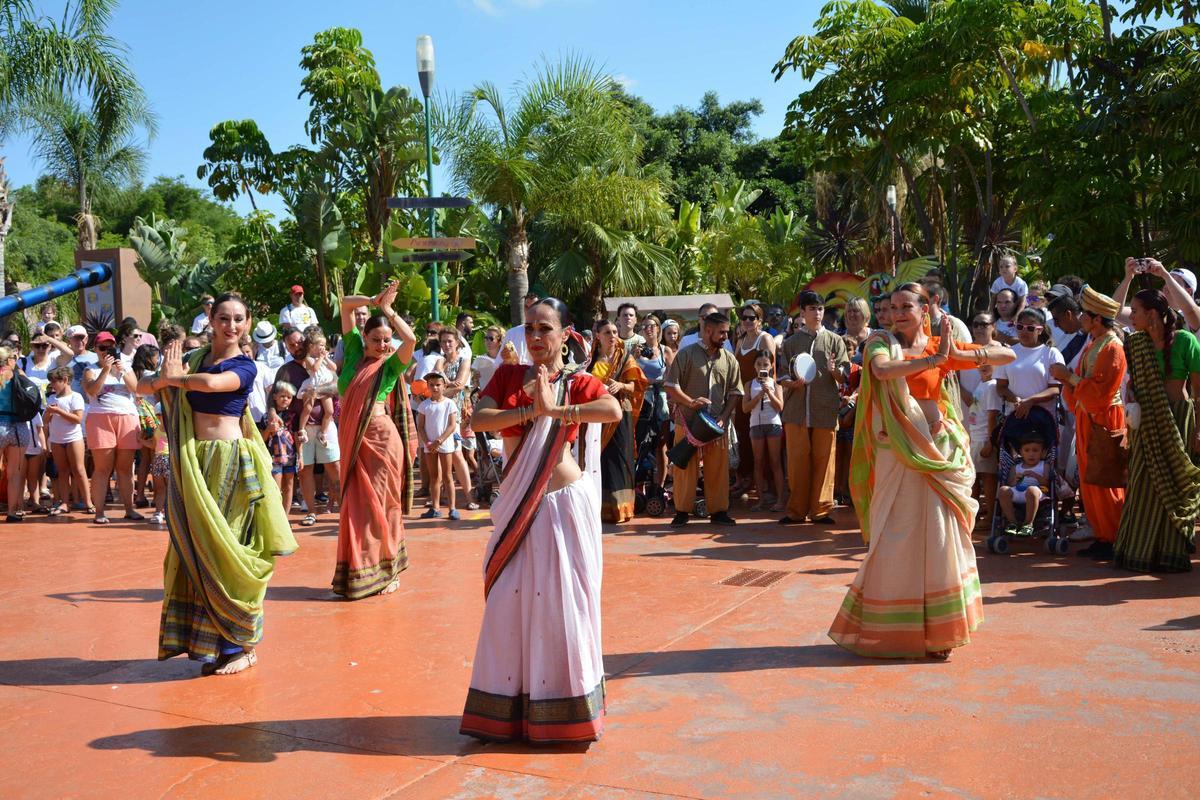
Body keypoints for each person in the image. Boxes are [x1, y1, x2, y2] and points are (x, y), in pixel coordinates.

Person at [459, 297, 619, 744]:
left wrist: (557, 411)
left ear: (565, 335)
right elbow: (480, 420)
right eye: (530, 327)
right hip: (519, 505)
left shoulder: (576, 381)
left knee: (560, 607)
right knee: (507, 605)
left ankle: (565, 714)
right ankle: (507, 713)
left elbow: (612, 410)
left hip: (560, 506)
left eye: (545, 328)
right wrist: (531, 409)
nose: (535, 336)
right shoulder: (510, 375)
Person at [829, 283, 1015, 659]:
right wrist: (935, 361)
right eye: (892, 307)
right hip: (898, 454)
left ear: (924, 310)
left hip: (936, 449)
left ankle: (941, 631)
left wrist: (958, 353)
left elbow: (1007, 354)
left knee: (941, 536)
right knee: (898, 534)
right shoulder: (880, 343)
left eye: (906, 307)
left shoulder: (936, 345)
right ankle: (892, 625)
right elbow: (882, 371)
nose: (897, 313)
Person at [141, 292, 296, 676]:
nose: (231, 325)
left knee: (229, 548)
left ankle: (241, 645)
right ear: (211, 320)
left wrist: (174, 378)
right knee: (196, 548)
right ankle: (212, 645)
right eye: (224, 318)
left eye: (238, 319)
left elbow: (212, 385)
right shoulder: (193, 359)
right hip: (193, 462)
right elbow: (144, 386)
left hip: (229, 463)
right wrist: (160, 378)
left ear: (247, 324)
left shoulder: (244, 365)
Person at [334, 284, 418, 598]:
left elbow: (410, 340)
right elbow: (345, 304)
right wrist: (372, 300)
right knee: (356, 507)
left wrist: (388, 311)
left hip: (381, 441)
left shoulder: (391, 364)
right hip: (354, 439)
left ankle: (390, 570)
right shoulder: (353, 351)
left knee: (383, 505)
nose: (383, 345)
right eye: (376, 340)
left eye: (386, 340)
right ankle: (360, 572)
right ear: (364, 338)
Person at [1112, 288, 1200, 573]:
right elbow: (1132, 383)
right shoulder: (1136, 343)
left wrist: (1199, 431)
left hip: (1178, 420)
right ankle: (1138, 550)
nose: (1131, 316)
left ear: (1151, 314)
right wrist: (1131, 394)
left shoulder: (1185, 340)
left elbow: (1198, 391)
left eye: (1136, 311)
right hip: (1146, 422)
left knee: (1175, 484)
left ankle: (1170, 553)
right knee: (1141, 484)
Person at [1050, 287, 1127, 560]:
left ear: (1096, 319)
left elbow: (1101, 393)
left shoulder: (1112, 347)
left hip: (1104, 418)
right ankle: (1103, 535)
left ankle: (1115, 537)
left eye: (1085, 314)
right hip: (1088, 416)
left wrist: (1067, 378)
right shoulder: (1095, 343)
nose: (1080, 318)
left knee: (1105, 478)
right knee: (1090, 479)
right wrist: (1068, 380)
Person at [779, 291, 850, 525]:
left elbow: (844, 376)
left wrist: (834, 371)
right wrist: (793, 383)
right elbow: (782, 376)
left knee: (824, 460)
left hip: (825, 409)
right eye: (812, 309)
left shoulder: (835, 340)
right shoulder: (790, 343)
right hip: (796, 411)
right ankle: (796, 511)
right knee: (797, 462)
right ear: (803, 312)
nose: (817, 313)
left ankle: (821, 511)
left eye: (820, 309)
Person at [665, 311, 742, 527]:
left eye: (727, 332)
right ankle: (682, 511)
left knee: (717, 470)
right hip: (687, 423)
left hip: (716, 426)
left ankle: (718, 512)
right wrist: (690, 402)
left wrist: (724, 418)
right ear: (708, 331)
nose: (725, 337)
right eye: (721, 333)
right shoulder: (686, 354)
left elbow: (736, 392)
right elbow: (671, 386)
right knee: (684, 469)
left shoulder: (729, 359)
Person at [586, 319, 648, 523]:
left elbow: (636, 386)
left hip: (620, 415)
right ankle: (599, 508)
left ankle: (621, 509)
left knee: (620, 459)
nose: (612, 336)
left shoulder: (625, 358)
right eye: (607, 332)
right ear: (598, 336)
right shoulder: (590, 361)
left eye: (614, 331)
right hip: (597, 415)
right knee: (599, 459)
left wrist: (620, 385)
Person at [84, 331, 143, 525]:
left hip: (127, 417)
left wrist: (122, 370)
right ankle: (99, 512)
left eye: (110, 347)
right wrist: (105, 370)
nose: (106, 351)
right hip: (100, 418)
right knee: (102, 468)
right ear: (95, 349)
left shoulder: (125, 367)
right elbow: (92, 390)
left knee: (125, 468)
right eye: (102, 348)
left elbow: (137, 390)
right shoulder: (90, 369)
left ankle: (129, 509)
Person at [731, 304, 776, 500]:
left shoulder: (765, 338)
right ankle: (746, 481)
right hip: (743, 397)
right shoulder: (740, 340)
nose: (747, 321)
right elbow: (735, 369)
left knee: (764, 444)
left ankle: (768, 486)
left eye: (752, 318)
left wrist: (763, 393)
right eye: (744, 318)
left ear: (760, 320)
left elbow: (770, 367)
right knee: (743, 440)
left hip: (761, 398)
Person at [435, 327, 477, 512]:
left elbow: (459, 385)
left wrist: (442, 387)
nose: (446, 345)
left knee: (458, 455)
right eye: (443, 341)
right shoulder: (440, 360)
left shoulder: (464, 360)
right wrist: (447, 383)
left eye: (449, 341)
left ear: (457, 342)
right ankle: (441, 497)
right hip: (439, 414)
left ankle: (469, 497)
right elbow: (436, 382)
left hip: (457, 414)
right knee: (441, 456)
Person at [994, 308, 1064, 418]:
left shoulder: (1052, 353)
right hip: (1013, 417)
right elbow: (1001, 387)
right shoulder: (1008, 353)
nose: (1024, 331)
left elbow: (1056, 388)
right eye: (1020, 327)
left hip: (1043, 419)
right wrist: (1015, 400)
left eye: (1030, 328)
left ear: (1040, 330)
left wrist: (1031, 401)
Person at [743, 350, 787, 513]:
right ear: (754, 366)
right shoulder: (749, 384)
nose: (762, 367)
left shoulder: (776, 384)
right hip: (756, 425)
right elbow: (745, 408)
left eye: (766, 364)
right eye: (759, 364)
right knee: (758, 462)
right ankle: (760, 501)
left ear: (771, 366)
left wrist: (768, 392)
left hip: (773, 424)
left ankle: (780, 500)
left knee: (775, 462)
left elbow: (780, 407)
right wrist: (759, 394)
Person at [636, 315, 674, 498]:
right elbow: (631, 374)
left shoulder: (666, 350)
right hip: (643, 400)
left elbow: (673, 377)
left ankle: (660, 486)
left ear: (658, 328)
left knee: (661, 443)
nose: (648, 329)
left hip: (662, 400)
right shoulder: (637, 350)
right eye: (644, 326)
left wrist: (658, 382)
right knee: (642, 442)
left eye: (651, 326)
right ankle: (640, 485)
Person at [132, 344, 168, 525]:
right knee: (153, 455)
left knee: (144, 459)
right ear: (149, 358)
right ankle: (157, 499)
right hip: (153, 418)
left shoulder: (135, 373)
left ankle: (139, 494)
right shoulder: (151, 375)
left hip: (140, 417)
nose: (158, 359)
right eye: (155, 356)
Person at [44, 366, 87, 516]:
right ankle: (64, 503)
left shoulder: (76, 397)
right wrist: (49, 412)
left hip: (73, 438)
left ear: (65, 380)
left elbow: (78, 419)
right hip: (56, 439)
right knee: (62, 472)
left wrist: (58, 411)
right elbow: (45, 421)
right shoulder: (51, 398)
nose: (52, 385)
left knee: (79, 470)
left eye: (54, 381)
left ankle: (88, 502)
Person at [418, 373, 460, 521]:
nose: (435, 388)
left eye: (438, 385)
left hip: (445, 444)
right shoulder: (424, 405)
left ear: (444, 386)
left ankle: (452, 508)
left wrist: (439, 440)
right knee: (434, 476)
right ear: (427, 386)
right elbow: (421, 426)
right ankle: (435, 508)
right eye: (431, 385)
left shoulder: (449, 404)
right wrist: (428, 443)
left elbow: (452, 425)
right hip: (430, 446)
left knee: (447, 476)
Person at [966, 363, 1001, 530]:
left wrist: (990, 442)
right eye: (981, 362)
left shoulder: (992, 386)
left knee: (988, 477)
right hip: (975, 437)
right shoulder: (982, 383)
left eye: (989, 362)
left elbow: (992, 415)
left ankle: (990, 517)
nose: (984, 365)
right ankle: (975, 514)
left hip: (984, 439)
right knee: (975, 478)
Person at [997, 435, 1050, 536]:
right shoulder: (1016, 467)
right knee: (1003, 490)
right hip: (1018, 491)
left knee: (1032, 490)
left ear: (1042, 453)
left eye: (1035, 450)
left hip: (1038, 492)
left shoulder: (1044, 465)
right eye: (1027, 450)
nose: (1031, 454)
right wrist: (1016, 480)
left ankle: (1028, 524)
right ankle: (1013, 523)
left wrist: (1036, 476)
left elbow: (1047, 483)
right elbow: (1010, 484)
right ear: (1021, 452)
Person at [0, 347, 31, 521]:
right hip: (19, 427)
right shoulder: (18, 375)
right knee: (14, 473)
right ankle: (12, 512)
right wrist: (17, 366)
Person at [262, 380, 300, 517]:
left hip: (290, 456)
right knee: (275, 488)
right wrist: (268, 429)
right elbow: (262, 439)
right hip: (274, 458)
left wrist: (300, 456)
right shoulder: (267, 417)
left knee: (289, 486)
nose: (285, 399)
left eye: (289, 397)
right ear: (275, 397)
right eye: (282, 396)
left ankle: (285, 517)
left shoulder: (293, 416)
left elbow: (296, 436)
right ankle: (276, 517)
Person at [475, 325, 503, 391]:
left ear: (499, 340)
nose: (488, 341)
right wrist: (475, 378)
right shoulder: (480, 359)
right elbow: (475, 383)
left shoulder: (505, 359)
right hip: (485, 394)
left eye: (491, 338)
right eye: (486, 338)